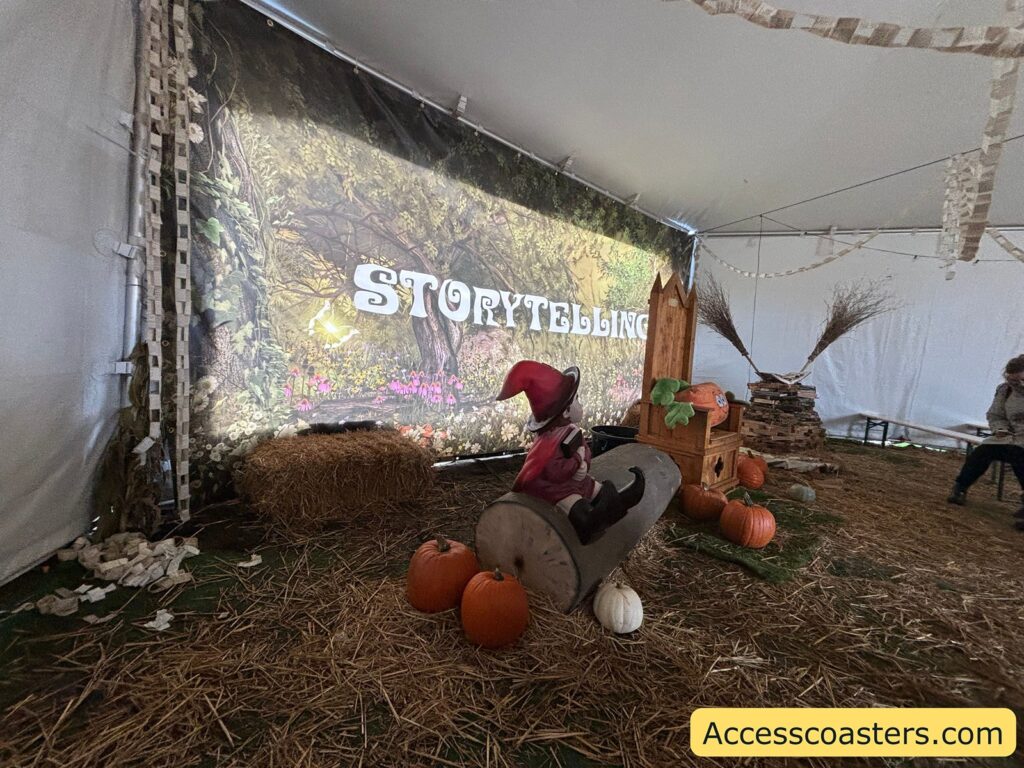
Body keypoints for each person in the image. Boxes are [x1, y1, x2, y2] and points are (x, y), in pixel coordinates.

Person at [496, 360, 645, 545]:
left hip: (574, 480)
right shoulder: (549, 442)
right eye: (577, 400)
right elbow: (554, 472)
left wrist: (584, 462)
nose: (580, 405)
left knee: (595, 488)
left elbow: (585, 451)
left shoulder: (571, 431)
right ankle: (589, 524)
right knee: (574, 504)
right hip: (552, 488)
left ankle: (617, 503)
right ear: (566, 411)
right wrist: (577, 462)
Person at [947, 354, 1024, 527]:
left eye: (1020, 380)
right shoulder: (1005, 390)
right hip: (1012, 438)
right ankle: (960, 487)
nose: (1016, 384)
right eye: (1012, 380)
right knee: (983, 451)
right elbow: (995, 414)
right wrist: (1000, 429)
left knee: (1020, 455)